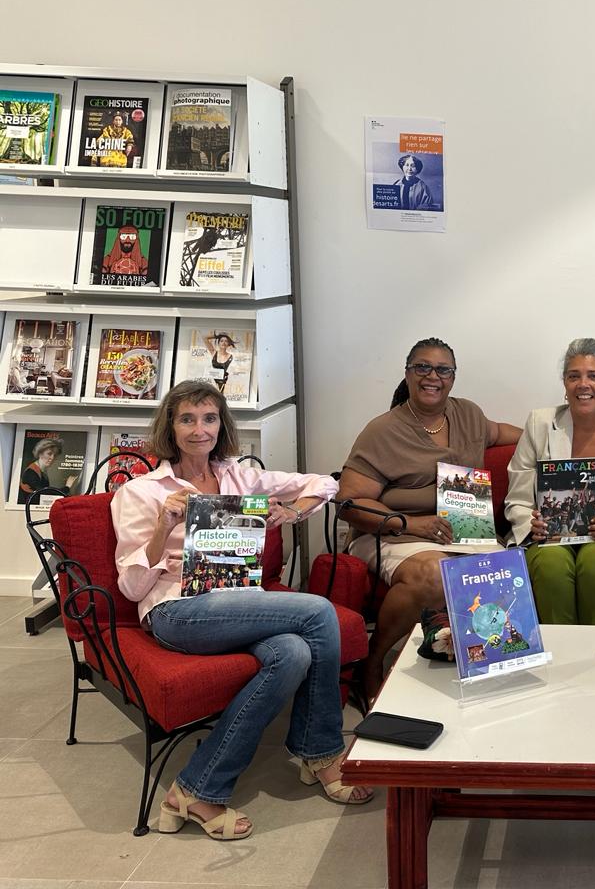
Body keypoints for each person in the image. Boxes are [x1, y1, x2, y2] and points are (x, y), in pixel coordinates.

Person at [111, 380, 371, 842]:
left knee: (293, 652)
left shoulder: (237, 477)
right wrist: (163, 526)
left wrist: (293, 512)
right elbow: (132, 589)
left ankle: (194, 789)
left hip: (236, 602)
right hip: (177, 611)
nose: (199, 430)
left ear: (221, 425)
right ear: (170, 427)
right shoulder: (141, 492)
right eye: (187, 419)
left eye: (209, 418)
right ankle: (321, 753)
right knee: (317, 613)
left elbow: (324, 483)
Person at [337, 338, 522, 696]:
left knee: (507, 571)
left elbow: (502, 432)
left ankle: (479, 665)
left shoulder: (468, 415)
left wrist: (549, 444)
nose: (432, 376)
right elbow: (351, 502)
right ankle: (373, 662)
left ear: (453, 377)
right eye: (422, 367)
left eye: (442, 370)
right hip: (395, 533)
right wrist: (412, 524)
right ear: (407, 374)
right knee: (437, 572)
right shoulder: (383, 430)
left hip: (464, 532)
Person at [504, 338, 595, 624]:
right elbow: (517, 499)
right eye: (574, 376)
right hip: (546, 539)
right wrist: (531, 524)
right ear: (565, 383)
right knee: (551, 563)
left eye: (593, 376)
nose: (583, 384)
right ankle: (559, 650)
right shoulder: (539, 423)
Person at [18, 437, 77, 503]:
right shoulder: (30, 472)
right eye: (49, 454)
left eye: (55, 455)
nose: (52, 458)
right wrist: (67, 487)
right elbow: (46, 492)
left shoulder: (42, 471)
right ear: (40, 453)